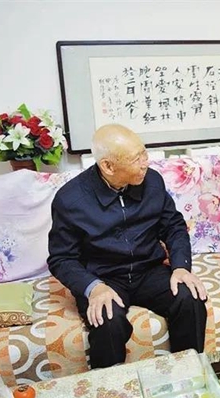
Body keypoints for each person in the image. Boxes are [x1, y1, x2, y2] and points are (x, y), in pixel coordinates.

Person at [47, 124, 208, 369]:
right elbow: (61, 258)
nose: (145, 163)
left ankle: (189, 375)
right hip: (103, 277)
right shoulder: (70, 200)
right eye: (136, 159)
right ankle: (111, 386)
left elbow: (173, 226)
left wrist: (180, 267)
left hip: (148, 270)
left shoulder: (152, 181)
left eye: (144, 154)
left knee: (189, 298)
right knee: (107, 320)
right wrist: (93, 288)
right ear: (108, 166)